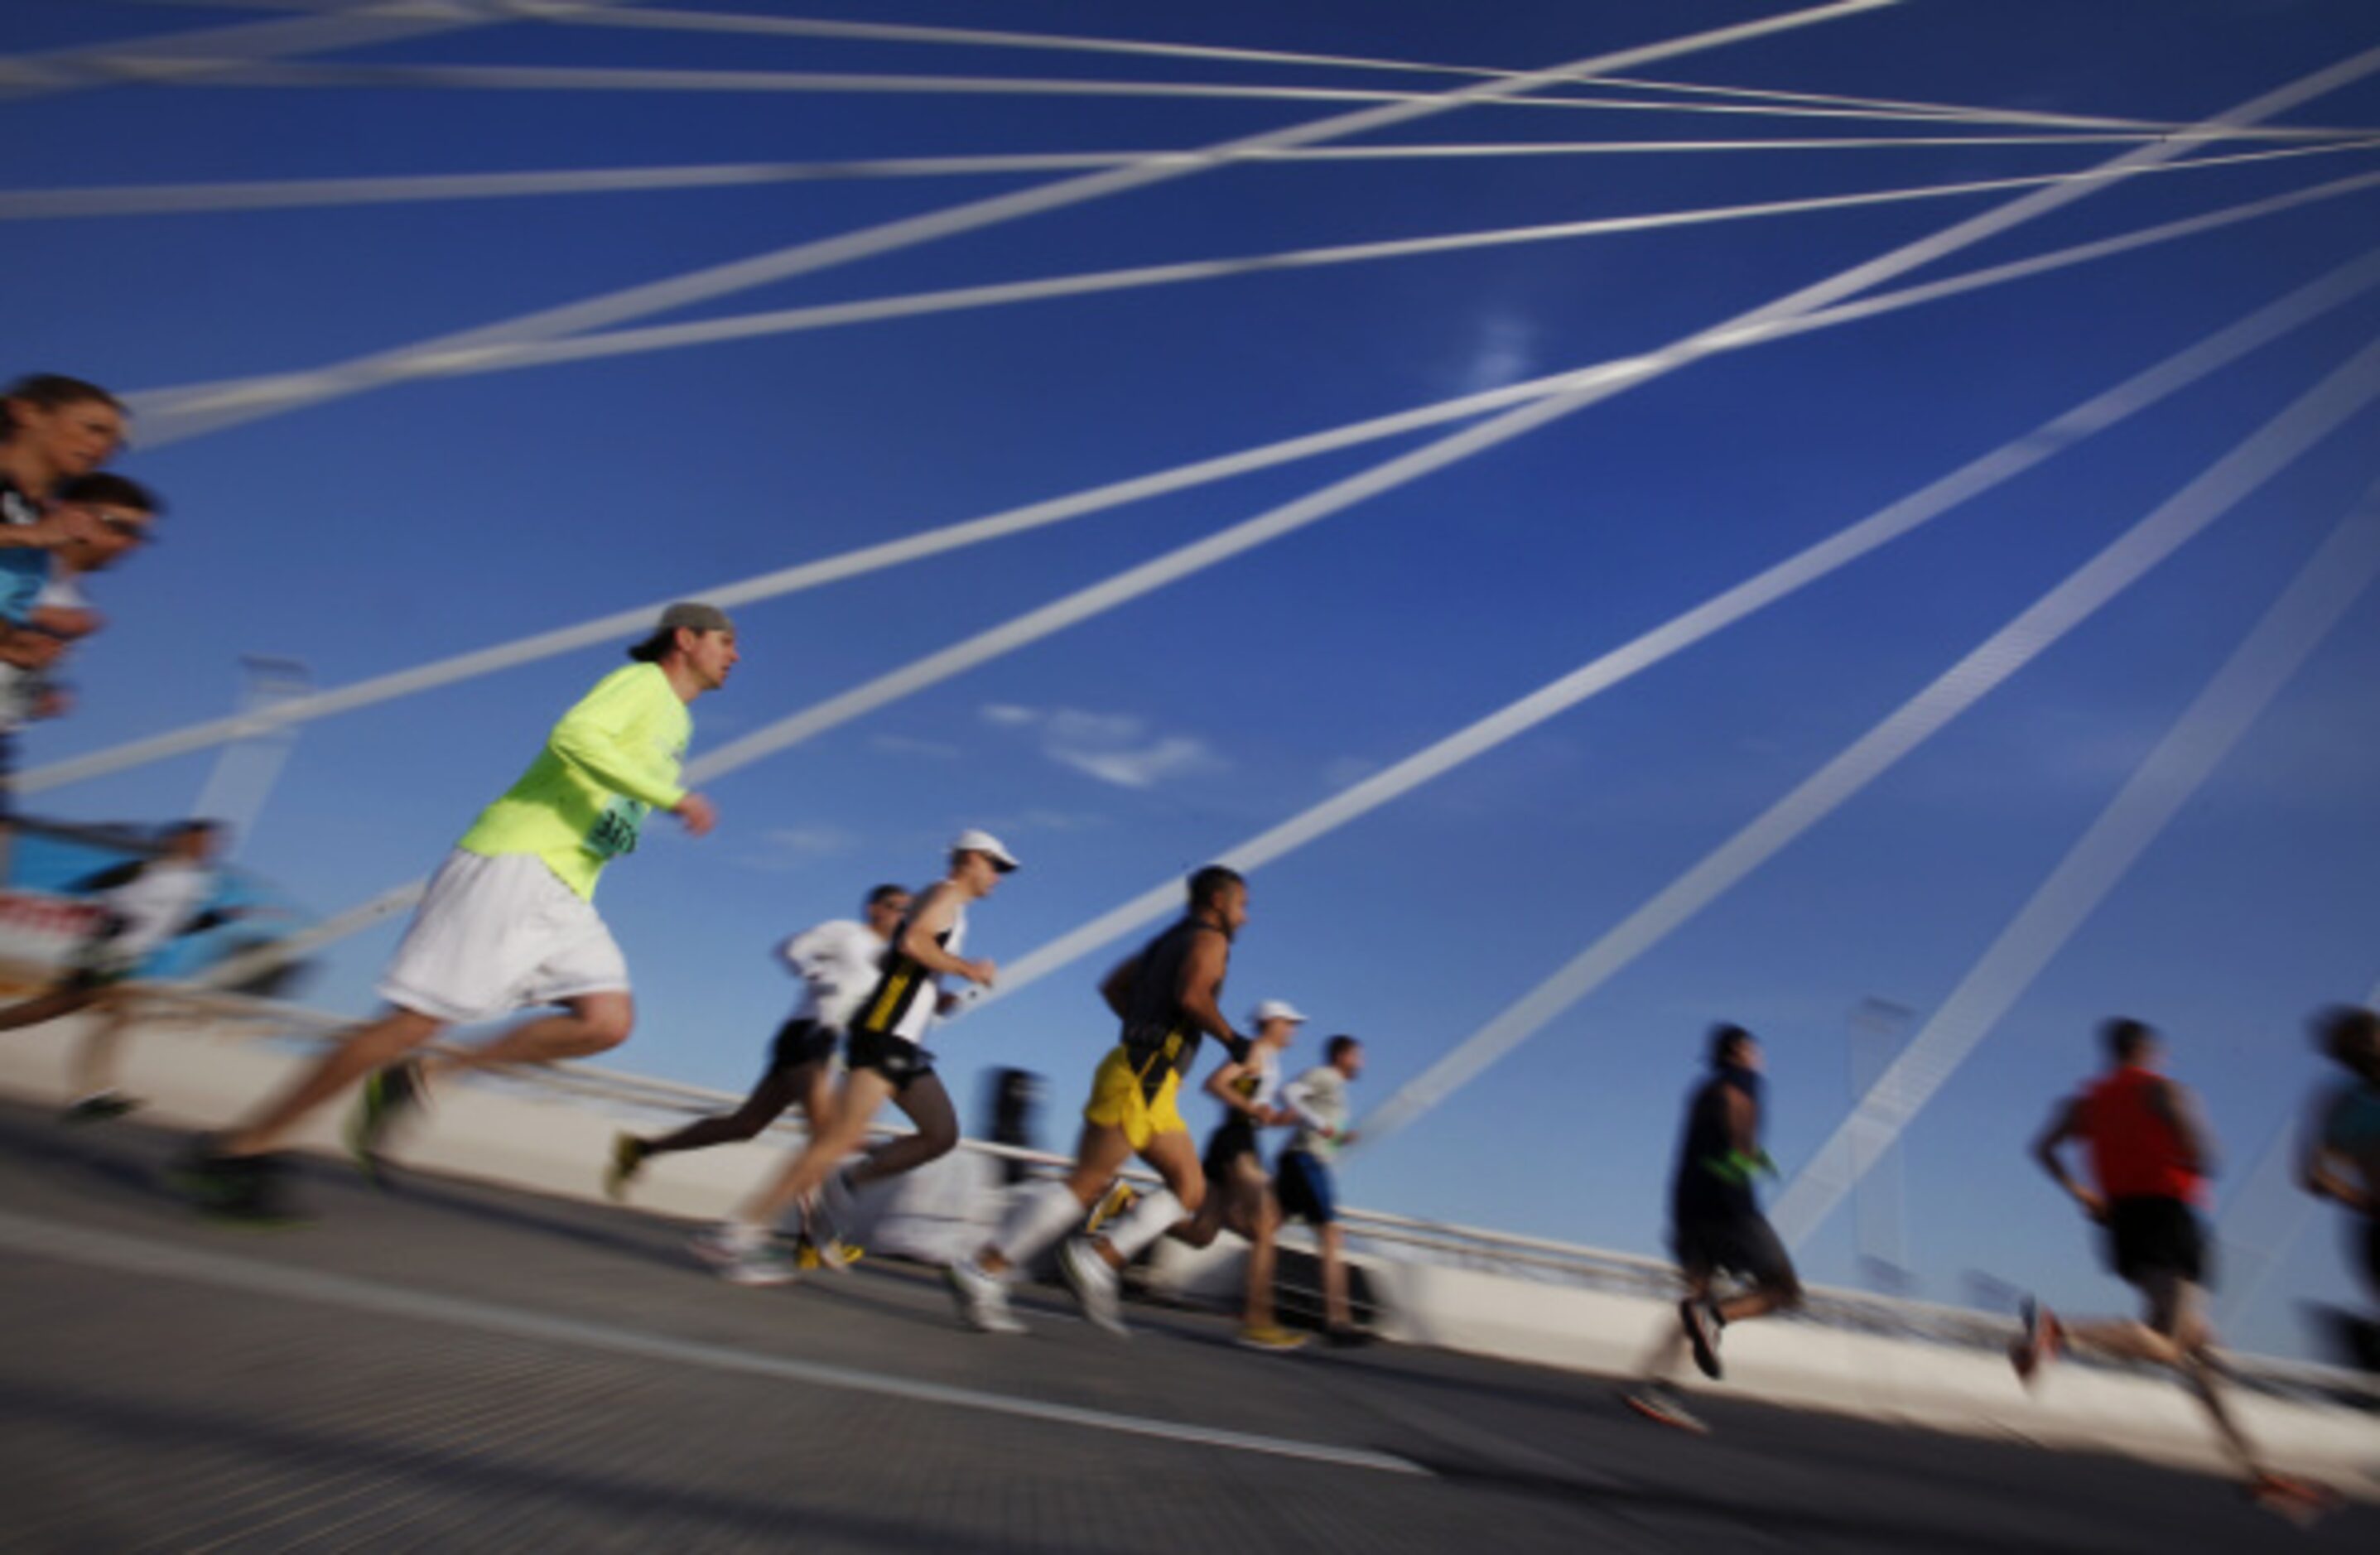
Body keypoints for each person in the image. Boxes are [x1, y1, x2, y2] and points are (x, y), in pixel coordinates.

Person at [175, 603, 735, 1218]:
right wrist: (672, 797)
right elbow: (574, 737)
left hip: (568, 889)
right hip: (516, 863)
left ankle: (427, 1077)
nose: (735, 656)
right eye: (726, 642)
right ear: (685, 639)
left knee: (606, 1022)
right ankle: (238, 1147)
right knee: (411, 1021)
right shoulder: (642, 684)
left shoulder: (676, 725)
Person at [2014, 1018, 2332, 1519]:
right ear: (2148, 1051)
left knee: (2203, 1355)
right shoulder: (2163, 1092)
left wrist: (2083, 1192)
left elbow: (2043, 1148)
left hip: (2121, 1224)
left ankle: (2257, 1471)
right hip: (2168, 1219)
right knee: (2170, 1345)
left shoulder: (2086, 1104)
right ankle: (2059, 1332)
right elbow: (2206, 1155)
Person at [696, 832, 1016, 1285]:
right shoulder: (944, 895)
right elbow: (914, 945)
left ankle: (848, 1183)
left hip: (903, 1039)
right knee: (833, 1141)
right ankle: (735, 1235)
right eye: (997, 866)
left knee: (940, 1133)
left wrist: (934, 998)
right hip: (884, 1035)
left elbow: (901, 958)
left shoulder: (944, 903)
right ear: (971, 860)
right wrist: (968, 969)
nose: (999, 878)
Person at [948, 864, 1248, 1336]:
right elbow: (1193, 997)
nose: (1244, 917)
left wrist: (1147, 1033)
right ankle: (984, 1268)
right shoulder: (1211, 940)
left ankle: (1097, 1260)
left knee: (1190, 1188)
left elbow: (1112, 986)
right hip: (1140, 1080)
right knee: (1084, 1184)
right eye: (1241, 905)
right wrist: (1233, 1041)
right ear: (1217, 902)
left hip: (1152, 1081)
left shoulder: (1162, 943)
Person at [604, 883, 912, 1205]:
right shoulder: (846, 932)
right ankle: (791, 1232)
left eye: (909, 910)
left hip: (829, 1042)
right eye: (897, 906)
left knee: (746, 1124)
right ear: (875, 908)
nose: (902, 914)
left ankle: (642, 1148)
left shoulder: (886, 961)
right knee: (826, 1135)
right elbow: (791, 948)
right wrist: (816, 974)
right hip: (807, 1033)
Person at [1621, 1024, 1800, 1434]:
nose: (1759, 1059)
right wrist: (1746, 1156)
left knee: (1694, 1300)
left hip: (1687, 1206)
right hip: (1730, 1205)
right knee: (1782, 1289)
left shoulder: (1700, 1089)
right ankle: (1716, 1319)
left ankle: (1657, 1388)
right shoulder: (1743, 1081)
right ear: (1739, 1053)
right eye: (1754, 1051)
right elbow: (1737, 1108)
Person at [0, 820, 244, 1117]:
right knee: (120, 1013)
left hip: (129, 957)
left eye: (213, 843)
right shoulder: (145, 870)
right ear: (180, 839)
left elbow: (172, 927)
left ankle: (92, 1094)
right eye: (202, 840)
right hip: (106, 950)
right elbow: (93, 892)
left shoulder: (194, 884)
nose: (208, 848)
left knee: (55, 1007)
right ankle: (92, 1094)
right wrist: (111, 925)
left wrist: (217, 918)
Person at [1167, 998, 1308, 1352]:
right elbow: (1214, 1084)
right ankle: (1257, 1322)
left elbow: (1255, 1108)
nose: (1293, 1030)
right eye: (1288, 1023)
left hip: (1235, 1139)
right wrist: (1252, 1109)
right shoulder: (1255, 1050)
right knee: (1265, 1224)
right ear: (1271, 1022)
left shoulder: (1269, 1059)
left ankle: (1126, 1204)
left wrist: (1281, 1119)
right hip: (1236, 1142)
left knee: (1202, 1233)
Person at [2300, 1004, 2380, 1370]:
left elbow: (2315, 1175)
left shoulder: (2340, 1104)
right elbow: (2314, 1174)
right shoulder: (2342, 1105)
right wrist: (2360, 1197)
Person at [1274, 1033, 1366, 1345]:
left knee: (1262, 1227)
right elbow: (1288, 1092)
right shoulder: (1325, 1076)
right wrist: (1318, 1124)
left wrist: (1342, 1138)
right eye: (1357, 1056)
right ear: (1341, 1056)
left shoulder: (1338, 1091)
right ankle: (1338, 1321)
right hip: (1306, 1161)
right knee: (1331, 1234)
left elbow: (1324, 1128)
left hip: (1302, 1160)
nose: (1360, 1063)